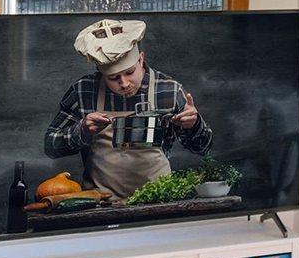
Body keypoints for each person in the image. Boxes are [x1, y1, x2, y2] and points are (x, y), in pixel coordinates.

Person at [44, 17, 212, 198]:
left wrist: (193, 125)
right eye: (113, 78)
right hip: (102, 206)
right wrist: (82, 130)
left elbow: (202, 148)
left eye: (129, 72)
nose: (124, 83)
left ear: (141, 59)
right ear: (101, 73)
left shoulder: (169, 90)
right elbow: (51, 146)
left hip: (158, 203)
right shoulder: (83, 91)